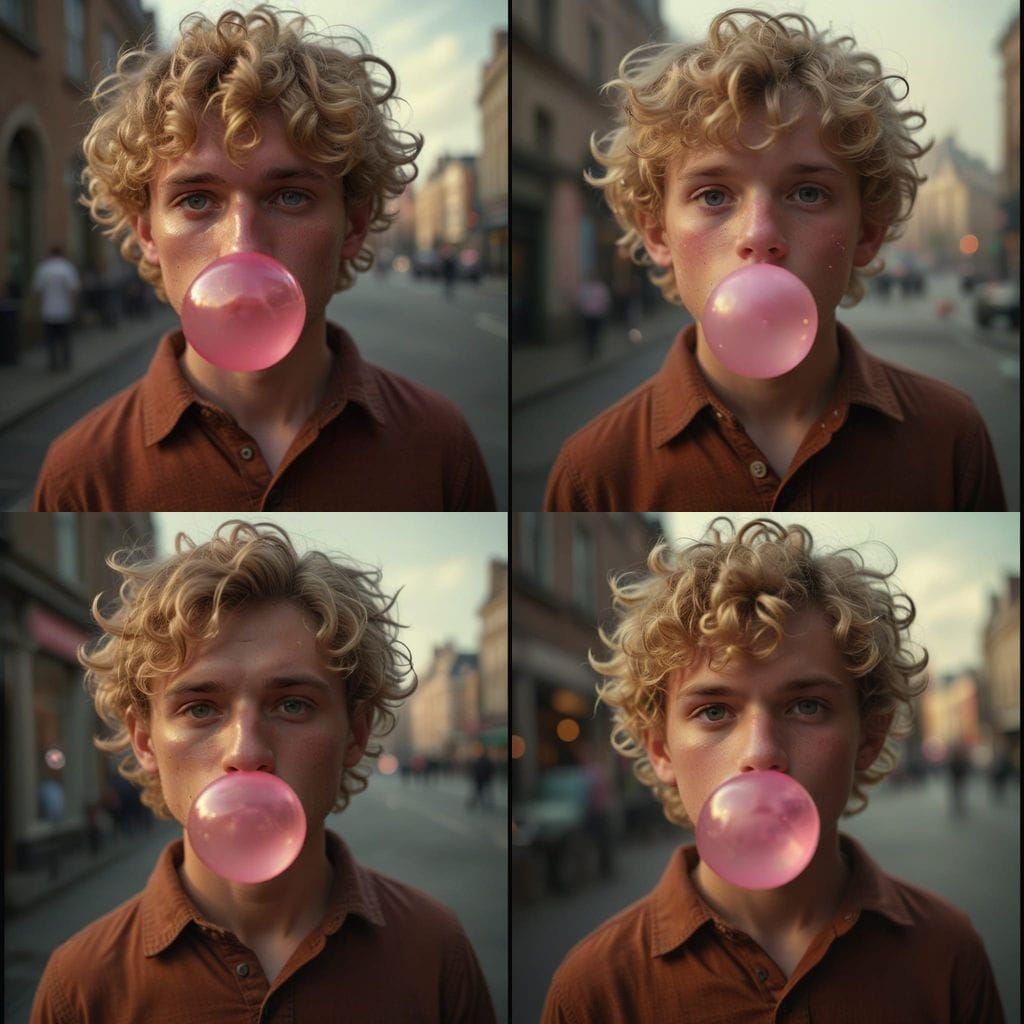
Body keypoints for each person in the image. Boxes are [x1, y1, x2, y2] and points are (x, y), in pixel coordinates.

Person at [542, 518, 1005, 1023]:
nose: (761, 753)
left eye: (806, 706)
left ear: (868, 737)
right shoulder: (595, 991)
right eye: (714, 711)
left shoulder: (948, 953)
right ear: (660, 749)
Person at [30, 521, 495, 1023]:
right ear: (145, 741)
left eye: (292, 704)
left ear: (355, 736)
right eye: (200, 709)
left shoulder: (435, 950)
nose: (246, 752)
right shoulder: (79, 986)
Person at [32, 6, 495, 511]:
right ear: (147, 233)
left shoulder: (441, 444)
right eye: (197, 200)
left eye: (290, 197)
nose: (242, 246)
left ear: (353, 226)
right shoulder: (79, 473)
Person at [543, 9, 1006, 511]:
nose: (760, 235)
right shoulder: (594, 472)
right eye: (714, 195)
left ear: (867, 232)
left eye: (808, 193)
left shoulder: (950, 437)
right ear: (658, 233)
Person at [31, 245, 81, 373]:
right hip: (64, 310)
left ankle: (53, 364)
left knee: (51, 340)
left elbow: (37, 292)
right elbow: (73, 290)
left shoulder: (43, 268)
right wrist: (74, 307)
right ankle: (66, 363)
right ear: (62, 253)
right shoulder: (66, 268)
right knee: (65, 339)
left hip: (48, 311)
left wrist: (36, 308)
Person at [578, 274, 612, 361]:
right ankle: (589, 352)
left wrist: (603, 310)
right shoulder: (585, 288)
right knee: (589, 334)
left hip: (598, 315)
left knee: (597, 334)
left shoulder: (601, 288)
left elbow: (606, 300)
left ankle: (596, 350)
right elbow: (581, 300)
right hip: (588, 315)